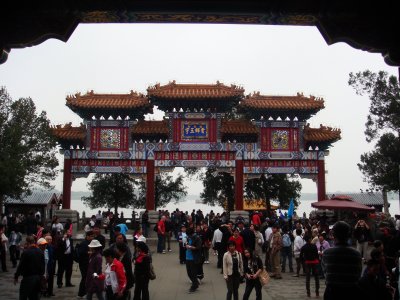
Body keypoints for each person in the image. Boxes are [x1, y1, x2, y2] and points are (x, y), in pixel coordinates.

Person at [322, 221, 362, 300]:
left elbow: (325, 273)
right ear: (349, 235)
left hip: (332, 293)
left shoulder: (327, 253)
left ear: (333, 235)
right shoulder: (356, 254)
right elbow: (358, 274)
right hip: (351, 293)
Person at [14, 236, 45, 300]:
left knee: (23, 296)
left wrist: (16, 276)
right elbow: (42, 267)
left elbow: (21, 266)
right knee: (35, 297)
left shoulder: (26, 252)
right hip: (37, 278)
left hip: (28, 278)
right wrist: (41, 276)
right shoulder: (40, 252)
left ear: (27, 243)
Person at [76, 230, 94, 298]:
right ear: (87, 236)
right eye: (91, 236)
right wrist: (88, 253)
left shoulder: (89, 242)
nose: (92, 237)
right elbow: (81, 253)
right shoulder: (84, 243)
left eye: (93, 236)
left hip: (87, 263)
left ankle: (84, 292)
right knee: (84, 278)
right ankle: (81, 293)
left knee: (86, 278)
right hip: (83, 263)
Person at [185, 227, 202, 293]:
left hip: (193, 258)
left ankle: (194, 286)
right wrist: (186, 245)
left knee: (193, 273)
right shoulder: (188, 237)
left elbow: (198, 247)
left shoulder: (197, 238)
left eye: (189, 235)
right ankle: (195, 283)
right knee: (189, 273)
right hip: (187, 257)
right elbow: (187, 243)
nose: (188, 236)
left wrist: (190, 247)